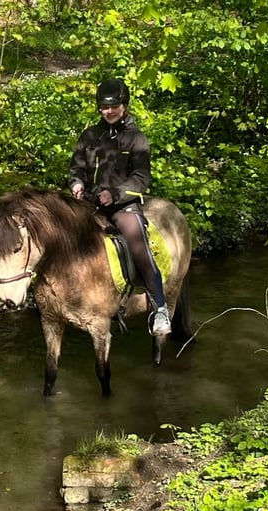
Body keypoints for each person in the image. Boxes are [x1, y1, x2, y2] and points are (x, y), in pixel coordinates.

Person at [68, 78, 171, 336]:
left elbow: (142, 178)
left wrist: (115, 194)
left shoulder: (137, 139)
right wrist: (77, 183)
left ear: (125, 106)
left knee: (139, 246)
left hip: (123, 205)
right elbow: (77, 167)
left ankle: (160, 308)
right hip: (89, 204)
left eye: (114, 106)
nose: (109, 111)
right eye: (104, 107)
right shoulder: (89, 135)